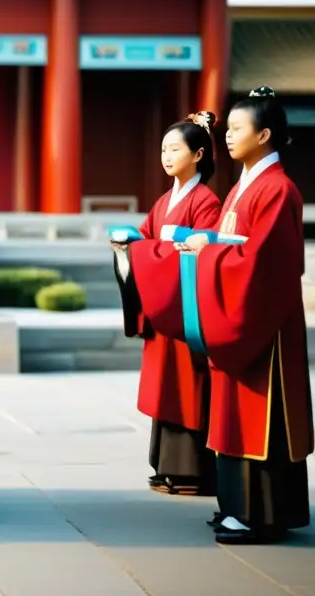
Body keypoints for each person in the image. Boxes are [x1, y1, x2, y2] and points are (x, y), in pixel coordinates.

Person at [115, 87, 313, 544]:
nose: (228, 137)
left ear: (264, 135)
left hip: (262, 326)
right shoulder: (244, 188)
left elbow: (265, 262)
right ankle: (237, 506)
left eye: (238, 129)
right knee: (230, 414)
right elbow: (234, 250)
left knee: (257, 415)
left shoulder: (278, 190)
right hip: (234, 312)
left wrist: (207, 250)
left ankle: (260, 514)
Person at [115, 113, 222, 496]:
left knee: (188, 387)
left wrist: (146, 251)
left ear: (198, 154)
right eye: (163, 149)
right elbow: (145, 239)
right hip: (162, 308)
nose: (166, 156)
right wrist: (127, 247)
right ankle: (166, 467)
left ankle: (193, 472)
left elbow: (203, 249)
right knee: (166, 389)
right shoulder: (165, 200)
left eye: (174, 149)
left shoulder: (206, 200)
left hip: (184, 310)